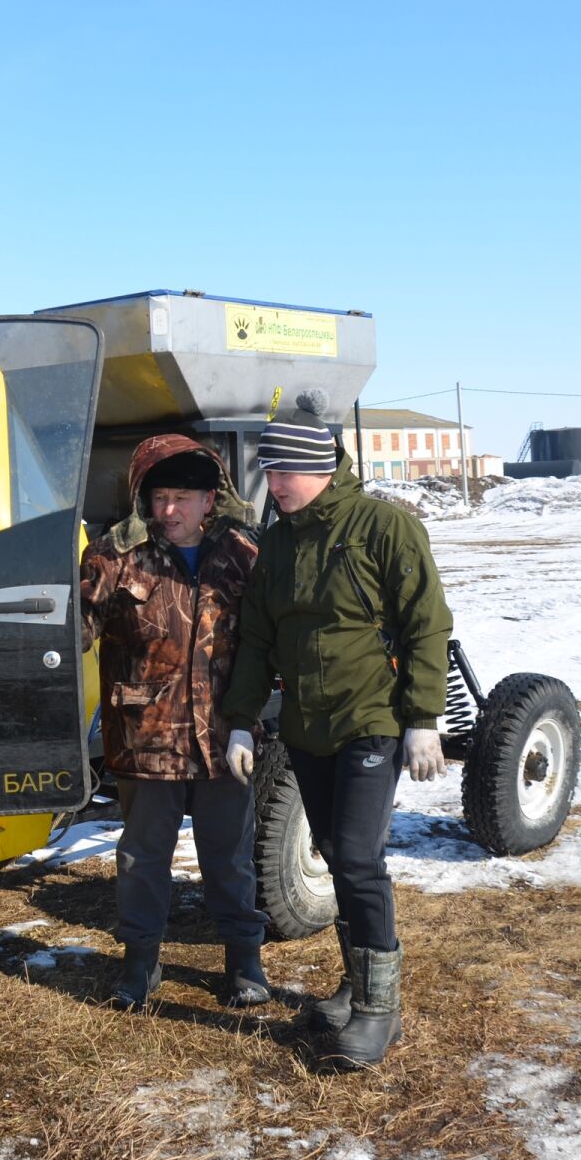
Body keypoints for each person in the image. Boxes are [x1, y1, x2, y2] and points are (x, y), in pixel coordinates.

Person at [222, 390, 453, 1069]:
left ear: (317, 468)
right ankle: (356, 987)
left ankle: (382, 1011)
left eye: (282, 472)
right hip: (307, 728)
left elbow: (426, 625)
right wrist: (240, 722)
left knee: (356, 857)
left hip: (370, 721)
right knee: (329, 846)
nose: (273, 484)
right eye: (269, 473)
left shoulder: (385, 530)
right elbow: (259, 639)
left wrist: (422, 719)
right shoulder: (278, 544)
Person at [80, 434, 270, 1011]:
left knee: (229, 859)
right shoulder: (115, 557)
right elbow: (74, 633)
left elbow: (271, 639)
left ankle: (245, 961)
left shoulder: (243, 555)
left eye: (184, 496)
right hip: (145, 743)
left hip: (224, 741)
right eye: (160, 496)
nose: (170, 510)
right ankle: (140, 964)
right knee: (142, 860)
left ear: (210, 500)